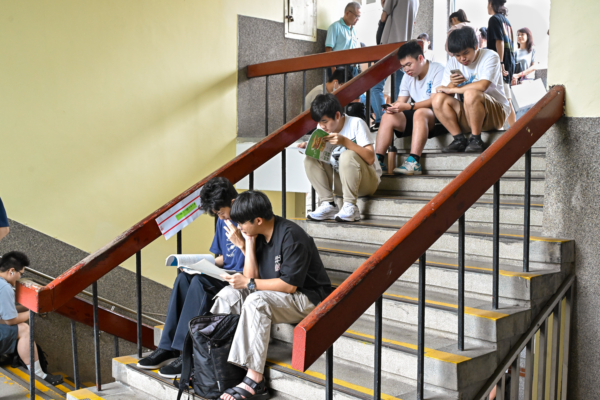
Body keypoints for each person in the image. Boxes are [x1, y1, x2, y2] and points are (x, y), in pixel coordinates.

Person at [210, 191, 332, 400]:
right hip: (276, 293)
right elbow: (252, 277)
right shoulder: (255, 234)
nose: (239, 227)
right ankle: (218, 366)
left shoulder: (292, 236)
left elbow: (289, 286)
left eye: (242, 223)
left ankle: (255, 380)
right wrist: (247, 243)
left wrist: (249, 283)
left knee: (256, 301)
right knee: (228, 295)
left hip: (307, 298)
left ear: (258, 220)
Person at [137, 177, 246, 378]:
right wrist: (195, 265)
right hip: (224, 273)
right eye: (217, 214)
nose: (221, 217)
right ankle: (167, 347)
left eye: (221, 212)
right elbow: (224, 258)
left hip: (240, 278)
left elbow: (253, 259)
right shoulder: (222, 221)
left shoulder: (248, 220)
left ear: (233, 202)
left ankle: (185, 351)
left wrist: (242, 243)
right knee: (184, 278)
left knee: (199, 282)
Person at [300, 94, 382, 222]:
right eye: (319, 122)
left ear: (337, 115)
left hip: (367, 182)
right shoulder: (322, 129)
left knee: (347, 155)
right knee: (310, 159)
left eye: (325, 121)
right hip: (341, 183)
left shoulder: (356, 123)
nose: (322, 126)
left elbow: (370, 158)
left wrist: (345, 142)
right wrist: (309, 147)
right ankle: (328, 204)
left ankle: (350, 206)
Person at [432, 27, 510, 153]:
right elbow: (445, 93)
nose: (462, 58)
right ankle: (459, 139)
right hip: (469, 114)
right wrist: (452, 84)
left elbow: (483, 86)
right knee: (438, 99)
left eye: (465, 53)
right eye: (457, 55)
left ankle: (476, 139)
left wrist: (453, 89)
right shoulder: (452, 63)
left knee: (471, 94)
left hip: (495, 114)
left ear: (476, 46)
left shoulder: (490, 56)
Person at [375, 40, 445, 175]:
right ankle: (378, 162)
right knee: (388, 116)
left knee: (420, 113)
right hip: (418, 116)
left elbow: (435, 101)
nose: (406, 69)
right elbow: (401, 101)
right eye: (403, 66)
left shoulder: (438, 69)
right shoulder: (408, 76)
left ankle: (414, 162)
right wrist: (392, 107)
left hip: (438, 116)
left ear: (420, 58)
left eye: (409, 64)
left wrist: (409, 106)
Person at [0, 252, 63, 385]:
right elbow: (10, 320)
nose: (20, 277)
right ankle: (39, 374)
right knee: (24, 329)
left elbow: (5, 313)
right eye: (21, 274)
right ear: (11, 271)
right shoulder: (4, 288)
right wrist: (34, 313)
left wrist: (28, 307)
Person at [369, 0, 420, 132]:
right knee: (400, 86)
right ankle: (397, 118)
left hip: (388, 46)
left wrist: (380, 27)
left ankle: (381, 120)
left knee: (374, 86)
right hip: (403, 47)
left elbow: (384, 15)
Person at [487, 0, 516, 126]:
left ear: (491, 4)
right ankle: (512, 129)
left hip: (502, 62)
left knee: (506, 99)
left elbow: (499, 41)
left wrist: (500, 62)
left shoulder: (494, 19)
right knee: (505, 97)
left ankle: (514, 130)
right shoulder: (506, 21)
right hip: (510, 61)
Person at [325, 2, 362, 79]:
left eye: (359, 17)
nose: (358, 19)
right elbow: (328, 49)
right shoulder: (335, 27)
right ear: (347, 13)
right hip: (339, 68)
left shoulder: (355, 31)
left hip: (353, 69)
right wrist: (333, 70)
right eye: (356, 16)